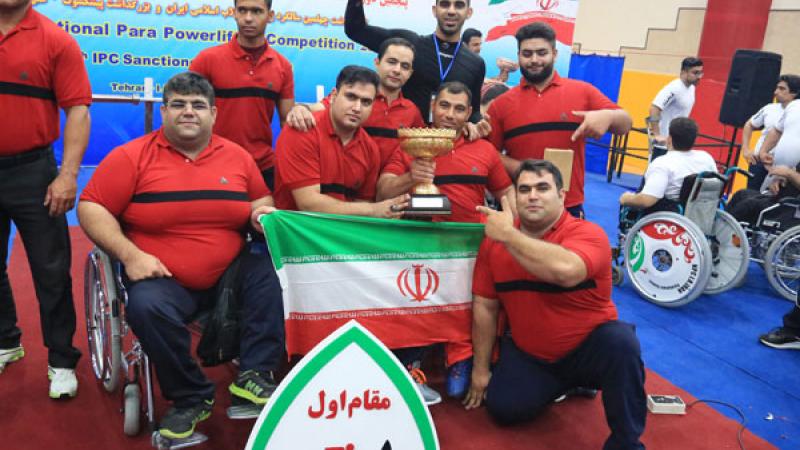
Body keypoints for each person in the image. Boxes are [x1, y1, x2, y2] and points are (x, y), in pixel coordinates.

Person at [78, 72, 285, 440]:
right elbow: (92, 207)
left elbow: (261, 200)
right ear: (164, 111)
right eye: (178, 104)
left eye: (198, 105)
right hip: (162, 277)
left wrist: (260, 213)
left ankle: (255, 374)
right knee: (145, 307)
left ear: (214, 114)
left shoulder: (236, 156)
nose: (188, 112)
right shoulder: (131, 157)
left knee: (271, 272)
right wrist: (131, 255)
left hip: (228, 277)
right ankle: (192, 396)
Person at [464, 159, 646, 450]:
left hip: (590, 349)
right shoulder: (493, 244)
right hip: (533, 355)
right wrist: (480, 370)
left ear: (561, 196)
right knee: (504, 410)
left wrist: (510, 236)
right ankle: (567, 386)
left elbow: (565, 271)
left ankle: (626, 442)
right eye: (524, 190)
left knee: (622, 343)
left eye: (542, 188)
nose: (532, 196)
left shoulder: (589, 234)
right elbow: (485, 306)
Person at [377, 81, 512, 401]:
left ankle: (462, 359)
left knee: (474, 307)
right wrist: (415, 176)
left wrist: (512, 230)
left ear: (469, 113)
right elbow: (383, 191)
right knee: (418, 302)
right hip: (424, 247)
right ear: (432, 107)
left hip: (473, 251)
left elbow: (506, 193)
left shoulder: (484, 147)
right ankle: (411, 366)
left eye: (459, 109)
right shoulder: (410, 144)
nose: (450, 115)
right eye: (444, 106)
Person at [0, 0, 91, 399]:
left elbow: (78, 111)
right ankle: (5, 340)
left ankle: (61, 361)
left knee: (51, 270)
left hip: (33, 173)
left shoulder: (57, 41)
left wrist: (68, 175)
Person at [487, 22, 631, 218]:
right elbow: (489, 155)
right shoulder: (501, 104)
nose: (534, 60)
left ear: (554, 54)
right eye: (527, 54)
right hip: (520, 207)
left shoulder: (582, 91)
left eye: (542, 53)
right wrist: (522, 168)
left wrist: (609, 115)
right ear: (519, 56)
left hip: (568, 207)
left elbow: (625, 124)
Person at [273, 65, 408, 216]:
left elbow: (362, 203)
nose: (357, 108)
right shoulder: (302, 130)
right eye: (351, 97)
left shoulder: (370, 149)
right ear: (333, 96)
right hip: (299, 232)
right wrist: (374, 210)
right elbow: (309, 204)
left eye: (366, 102)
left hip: (343, 233)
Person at [344, 0, 489, 138]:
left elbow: (474, 110)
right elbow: (356, 30)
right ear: (435, 10)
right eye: (445, 4)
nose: (451, 10)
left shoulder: (476, 63)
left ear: (468, 12)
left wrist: (478, 124)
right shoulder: (411, 44)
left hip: (448, 147)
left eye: (458, 5)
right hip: (405, 143)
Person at [189, 0, 294, 190]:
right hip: (213, 162)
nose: (248, 18)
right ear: (234, 13)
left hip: (263, 166)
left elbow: (287, 122)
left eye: (256, 11)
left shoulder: (283, 66)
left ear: (270, 16)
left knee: (264, 219)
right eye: (242, 10)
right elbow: (188, 113)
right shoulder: (207, 59)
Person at [285, 37, 425, 169]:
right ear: (377, 63)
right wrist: (301, 109)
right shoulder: (354, 97)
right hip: (349, 183)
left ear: (410, 73)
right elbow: (317, 108)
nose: (397, 70)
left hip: (391, 188)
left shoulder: (412, 112)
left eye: (405, 66)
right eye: (392, 62)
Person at [619, 117, 716, 212]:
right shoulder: (706, 158)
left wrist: (626, 198)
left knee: (629, 203)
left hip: (670, 213)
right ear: (694, 140)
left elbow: (646, 201)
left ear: (669, 139)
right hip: (701, 212)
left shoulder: (663, 163)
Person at [741, 75, 800, 190]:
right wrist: (746, 149)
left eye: (782, 89)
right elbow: (749, 125)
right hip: (759, 162)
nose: (776, 92)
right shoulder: (769, 108)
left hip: (782, 168)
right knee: (749, 197)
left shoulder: (795, 110)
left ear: (794, 93)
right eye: (777, 88)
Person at [648, 57, 704, 144]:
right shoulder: (674, 88)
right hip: (663, 141)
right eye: (695, 73)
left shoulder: (691, 88)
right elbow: (654, 108)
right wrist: (657, 134)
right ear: (684, 72)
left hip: (676, 141)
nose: (699, 77)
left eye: (700, 73)